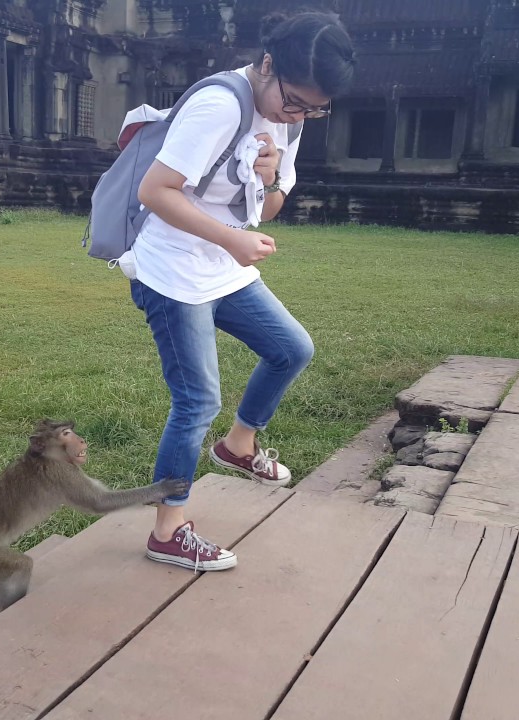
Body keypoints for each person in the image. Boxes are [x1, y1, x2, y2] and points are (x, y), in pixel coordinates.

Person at [130, 12, 356, 571]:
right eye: (295, 100)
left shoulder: (290, 123)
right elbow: (155, 191)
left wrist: (272, 175)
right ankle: (168, 528)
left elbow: (269, 208)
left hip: (220, 263)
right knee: (196, 400)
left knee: (291, 349)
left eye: (313, 108)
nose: (298, 114)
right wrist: (232, 239)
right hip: (172, 269)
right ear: (269, 65)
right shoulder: (220, 105)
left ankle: (238, 447)